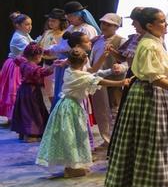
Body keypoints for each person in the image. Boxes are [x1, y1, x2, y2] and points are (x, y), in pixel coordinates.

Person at [104, 8, 168, 187]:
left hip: (142, 94)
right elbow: (156, 78)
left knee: (138, 142)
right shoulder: (149, 45)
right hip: (150, 95)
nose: (166, 25)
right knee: (155, 143)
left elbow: (164, 62)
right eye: (162, 22)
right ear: (150, 26)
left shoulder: (152, 42)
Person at [37, 48, 127, 177]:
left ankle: (72, 165)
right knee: (72, 136)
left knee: (71, 136)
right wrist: (121, 82)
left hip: (65, 106)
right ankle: (71, 167)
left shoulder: (70, 70)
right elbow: (97, 80)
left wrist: (106, 64)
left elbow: (93, 73)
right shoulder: (80, 75)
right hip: (71, 108)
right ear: (85, 60)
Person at [90, 13, 124, 145]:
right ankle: (106, 140)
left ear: (116, 27)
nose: (104, 26)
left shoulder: (121, 41)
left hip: (113, 80)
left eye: (108, 24)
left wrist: (120, 68)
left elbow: (127, 61)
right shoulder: (98, 40)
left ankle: (114, 141)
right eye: (103, 23)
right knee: (101, 111)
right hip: (98, 80)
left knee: (114, 110)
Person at [10, 43, 54, 142]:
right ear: (37, 56)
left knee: (25, 110)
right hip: (31, 91)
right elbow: (43, 72)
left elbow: (17, 58)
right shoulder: (32, 66)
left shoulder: (23, 61)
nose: (41, 58)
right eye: (41, 56)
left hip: (24, 90)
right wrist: (54, 66)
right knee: (32, 111)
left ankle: (25, 133)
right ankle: (30, 135)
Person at [0, 12, 33, 118]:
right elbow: (31, 49)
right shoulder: (18, 37)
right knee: (15, 90)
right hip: (15, 66)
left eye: (30, 24)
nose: (30, 27)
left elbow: (33, 43)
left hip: (20, 64)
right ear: (18, 25)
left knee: (19, 90)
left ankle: (17, 116)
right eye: (27, 24)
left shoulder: (24, 34)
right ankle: (16, 116)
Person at [37, 9, 67, 105]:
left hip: (57, 63)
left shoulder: (64, 34)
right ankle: (53, 107)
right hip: (46, 63)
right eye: (49, 20)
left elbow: (63, 50)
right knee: (48, 89)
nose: (50, 23)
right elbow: (40, 44)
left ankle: (58, 107)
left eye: (53, 21)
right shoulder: (47, 32)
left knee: (57, 88)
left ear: (61, 22)